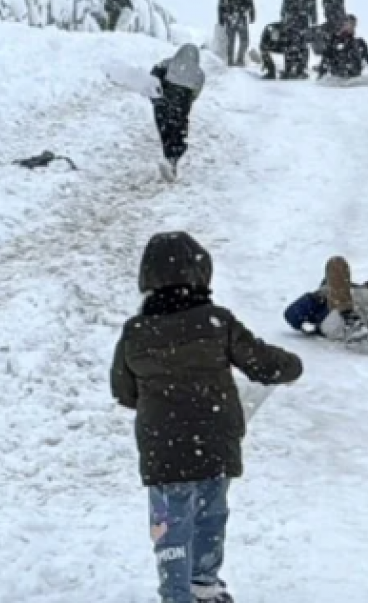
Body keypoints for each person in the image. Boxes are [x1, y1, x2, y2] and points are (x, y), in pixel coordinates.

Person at [111, 231, 302, 603]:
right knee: (210, 515)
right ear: (201, 273)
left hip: (163, 449)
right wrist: (291, 365)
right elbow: (262, 363)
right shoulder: (216, 322)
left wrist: (159, 401)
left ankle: (176, 594)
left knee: (170, 525)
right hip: (214, 442)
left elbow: (123, 390)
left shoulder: (135, 332)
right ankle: (204, 585)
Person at [283, 254, 368, 342]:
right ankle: (350, 319)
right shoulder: (320, 302)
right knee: (336, 261)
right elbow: (291, 316)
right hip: (340, 321)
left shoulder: (360, 289)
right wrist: (317, 296)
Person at [150, 45, 205, 181]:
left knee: (165, 130)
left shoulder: (167, 63)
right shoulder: (199, 74)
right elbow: (195, 94)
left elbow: (153, 77)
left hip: (163, 101)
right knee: (179, 133)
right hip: (182, 104)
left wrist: (156, 97)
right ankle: (172, 159)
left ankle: (169, 159)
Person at [315, 15, 368, 81]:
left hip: (354, 78)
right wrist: (320, 75)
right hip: (338, 78)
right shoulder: (334, 41)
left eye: (354, 25)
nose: (352, 27)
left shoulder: (359, 42)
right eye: (350, 24)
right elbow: (326, 59)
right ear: (344, 25)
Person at [280, 0, 318, 75]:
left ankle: (301, 68)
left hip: (303, 18)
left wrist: (313, 18)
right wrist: (283, 15)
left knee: (302, 44)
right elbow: (285, 1)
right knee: (289, 43)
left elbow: (313, 2)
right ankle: (288, 68)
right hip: (291, 18)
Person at [217, 0, 256, 67]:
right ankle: (238, 60)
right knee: (242, 40)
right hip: (238, 17)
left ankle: (233, 60)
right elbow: (250, 1)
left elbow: (221, 3)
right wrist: (252, 14)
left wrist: (221, 18)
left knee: (232, 40)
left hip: (232, 17)